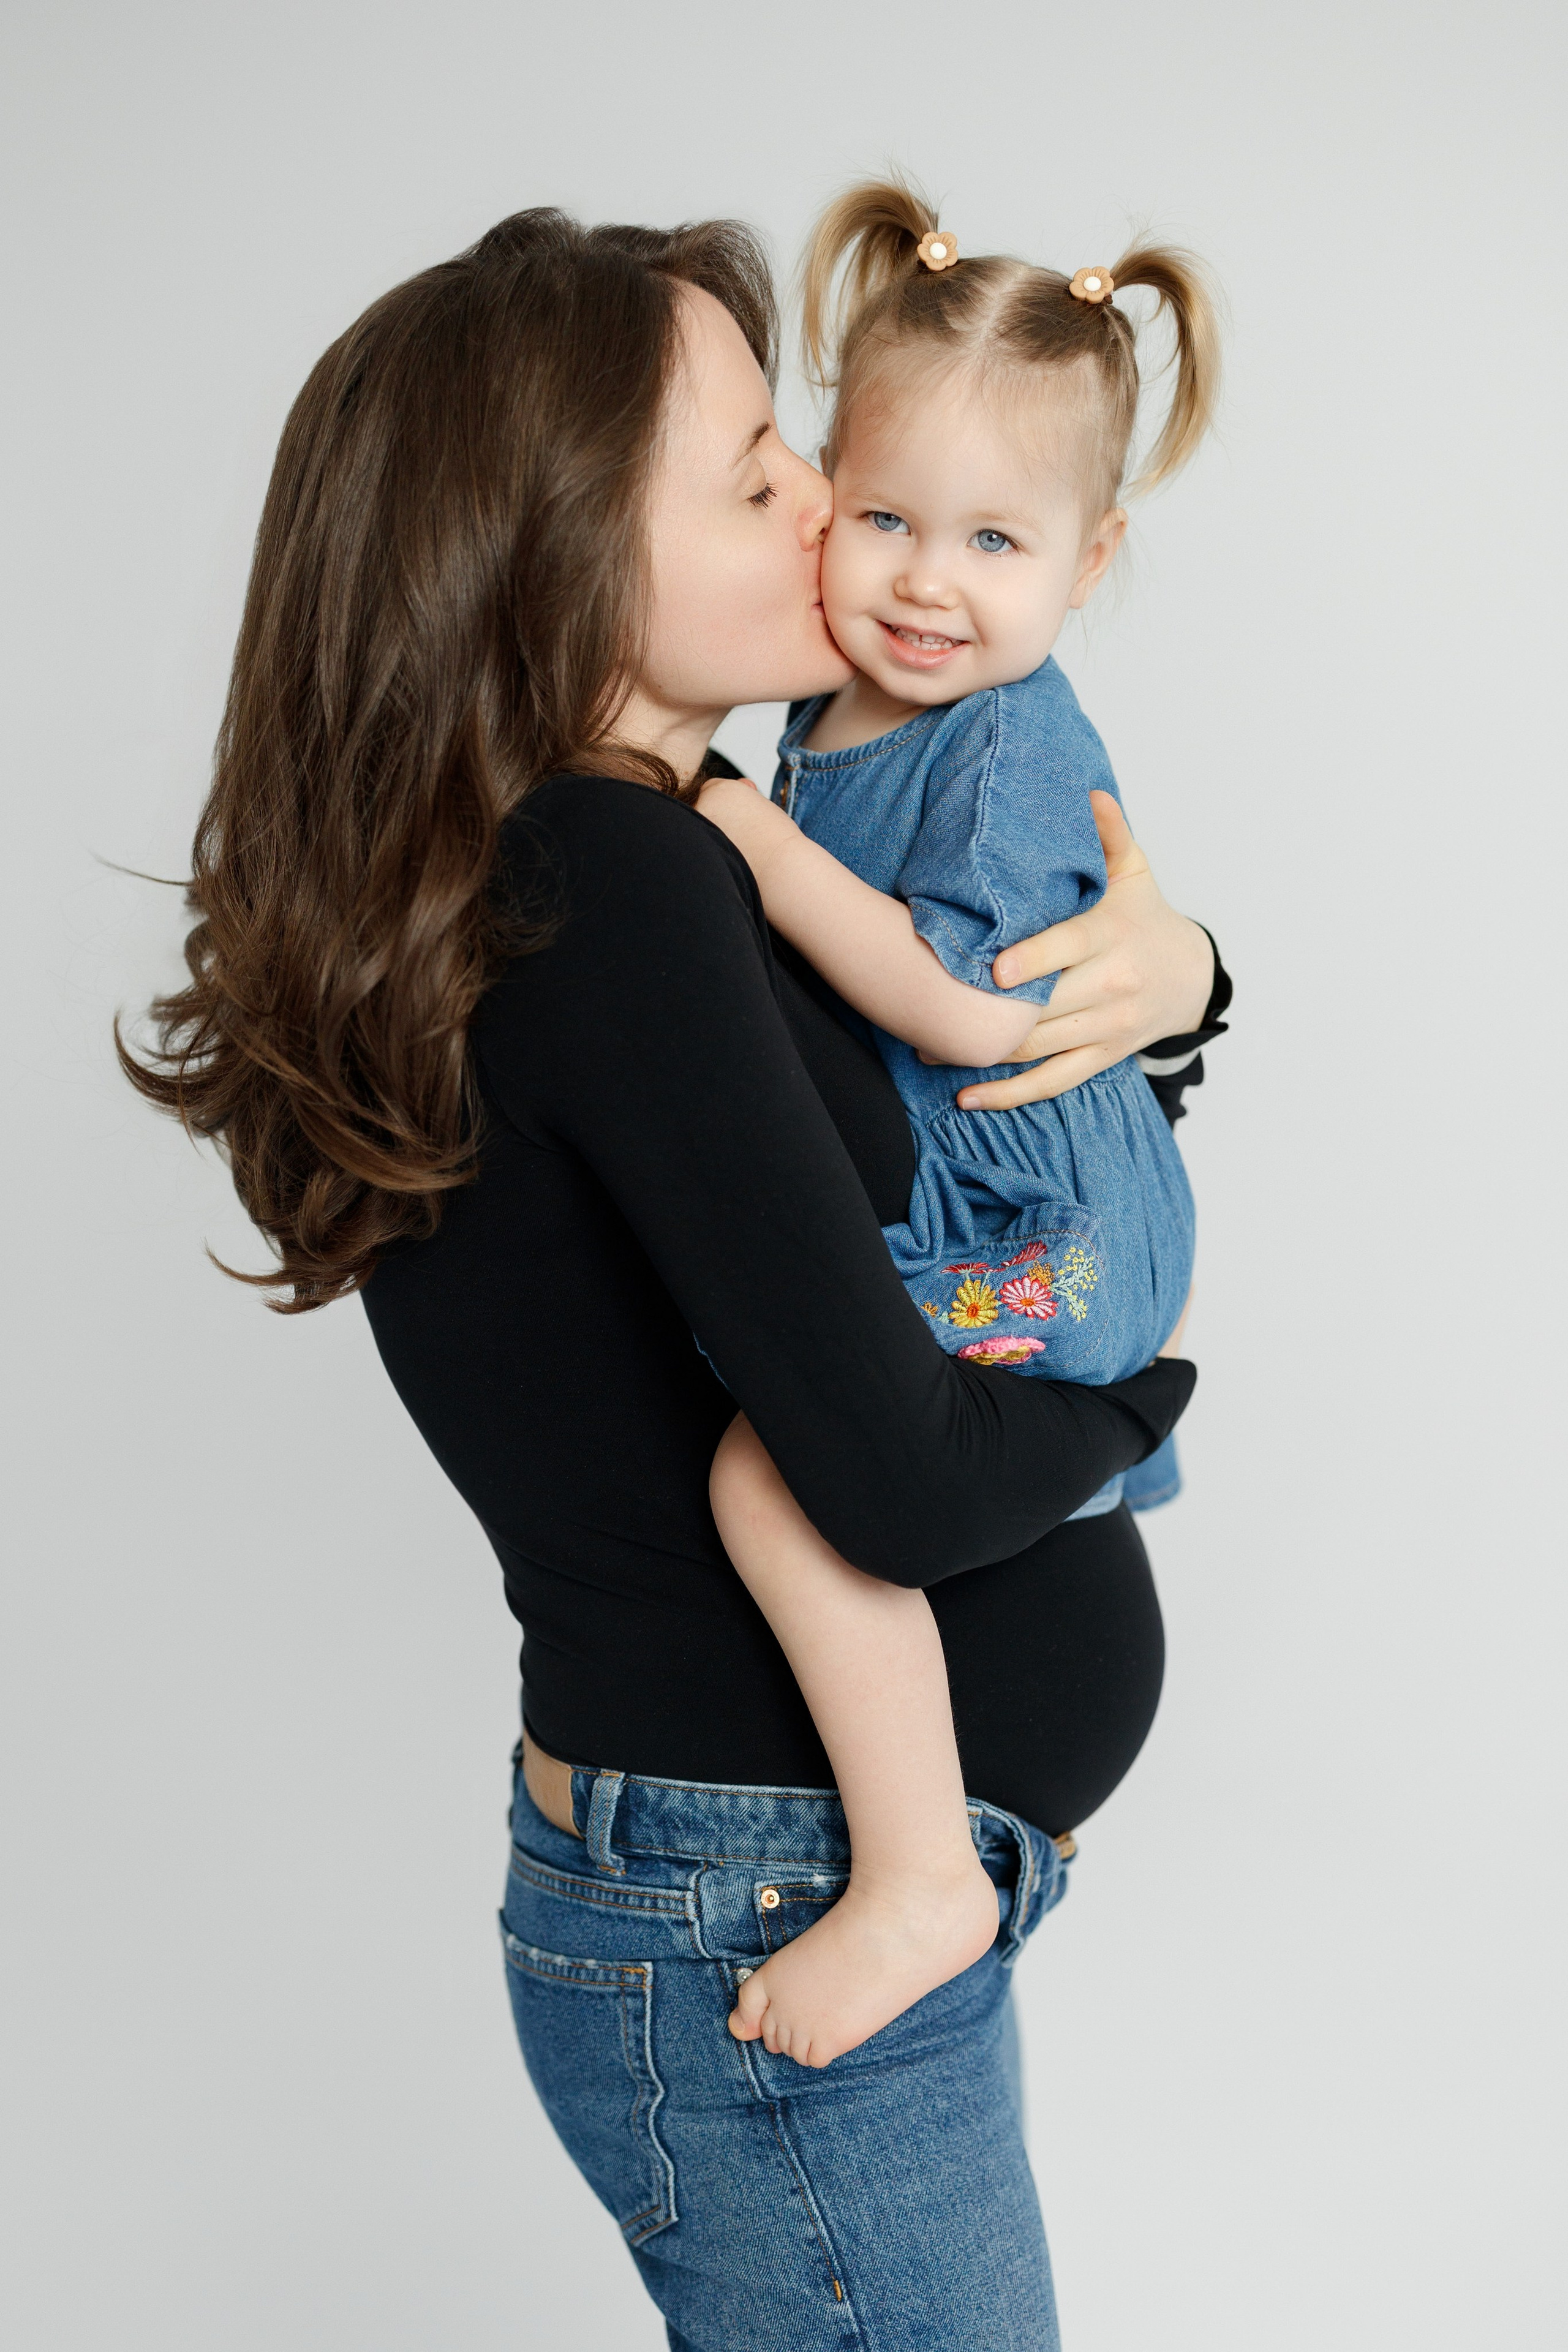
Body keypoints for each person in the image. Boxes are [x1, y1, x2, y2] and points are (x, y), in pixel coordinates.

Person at [121, 206, 1228, 2350]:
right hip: (763, 1882)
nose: (830, 505)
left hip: (744, 1871)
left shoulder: (662, 840)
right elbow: (894, 1478)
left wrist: (1181, 981)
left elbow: (953, 1053)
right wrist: (1133, 1409)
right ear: (551, 568)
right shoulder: (608, 877)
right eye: (757, 479)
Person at [694, 178, 1221, 2070]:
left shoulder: (998, 747)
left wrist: (743, 845)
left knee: (772, 1471)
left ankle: (923, 1872)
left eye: (996, 540)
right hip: (1001, 1212)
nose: (930, 580)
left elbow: (966, 1008)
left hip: (1043, 1241)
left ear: (1088, 566)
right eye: (893, 518)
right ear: (826, 493)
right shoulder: (835, 708)